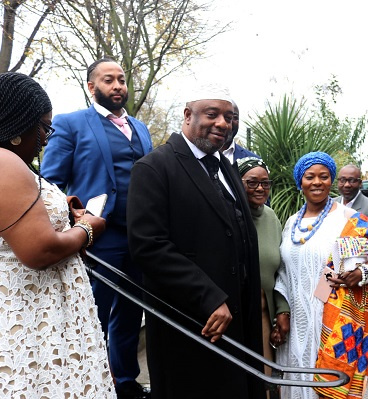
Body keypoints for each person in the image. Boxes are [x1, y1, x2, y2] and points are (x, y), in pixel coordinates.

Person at [127, 91, 265, 399]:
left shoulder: (227, 168)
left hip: (239, 320)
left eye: (229, 118)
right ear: (188, 115)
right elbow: (148, 246)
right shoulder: (153, 168)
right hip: (192, 322)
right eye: (212, 114)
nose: (223, 124)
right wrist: (208, 297)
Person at [40, 58, 153, 399]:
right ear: (92, 87)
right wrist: (72, 221)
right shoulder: (71, 123)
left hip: (139, 236)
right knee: (92, 315)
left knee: (131, 315)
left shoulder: (141, 128)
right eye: (109, 80)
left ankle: (125, 382)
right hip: (96, 238)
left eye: (121, 79)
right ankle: (83, 386)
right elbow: (51, 182)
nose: (118, 85)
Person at [0, 72, 114, 397]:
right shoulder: (6, 162)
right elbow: (40, 250)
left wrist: (65, 209)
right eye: (44, 127)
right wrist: (88, 229)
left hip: (40, 310)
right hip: (29, 315)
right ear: (19, 123)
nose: (47, 138)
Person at [274, 151, 368, 399]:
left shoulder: (349, 219)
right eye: (310, 177)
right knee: (302, 382)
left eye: (324, 176)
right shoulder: (290, 223)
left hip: (336, 318)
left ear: (331, 180)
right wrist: (283, 311)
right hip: (299, 321)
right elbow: (283, 271)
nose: (317, 182)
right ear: (300, 181)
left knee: (333, 386)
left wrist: (363, 272)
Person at [237, 156, 290, 397]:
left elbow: (281, 269)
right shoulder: (230, 216)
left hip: (264, 316)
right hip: (236, 317)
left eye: (265, 183)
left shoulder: (271, 217)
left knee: (266, 381)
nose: (260, 188)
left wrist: (281, 310)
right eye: (252, 182)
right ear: (238, 182)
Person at [334, 164, 368, 233]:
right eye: (342, 180)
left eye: (351, 180)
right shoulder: (331, 204)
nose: (347, 185)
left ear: (360, 183)